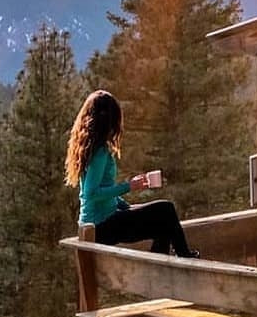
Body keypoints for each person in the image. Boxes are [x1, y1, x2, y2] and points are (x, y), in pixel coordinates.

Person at [64, 89, 197, 256]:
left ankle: (159, 266)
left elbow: (98, 191)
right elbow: (91, 193)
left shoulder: (92, 149)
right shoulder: (100, 152)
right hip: (103, 226)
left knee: (163, 222)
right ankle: (184, 257)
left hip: (99, 223)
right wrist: (129, 186)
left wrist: (127, 207)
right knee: (166, 210)